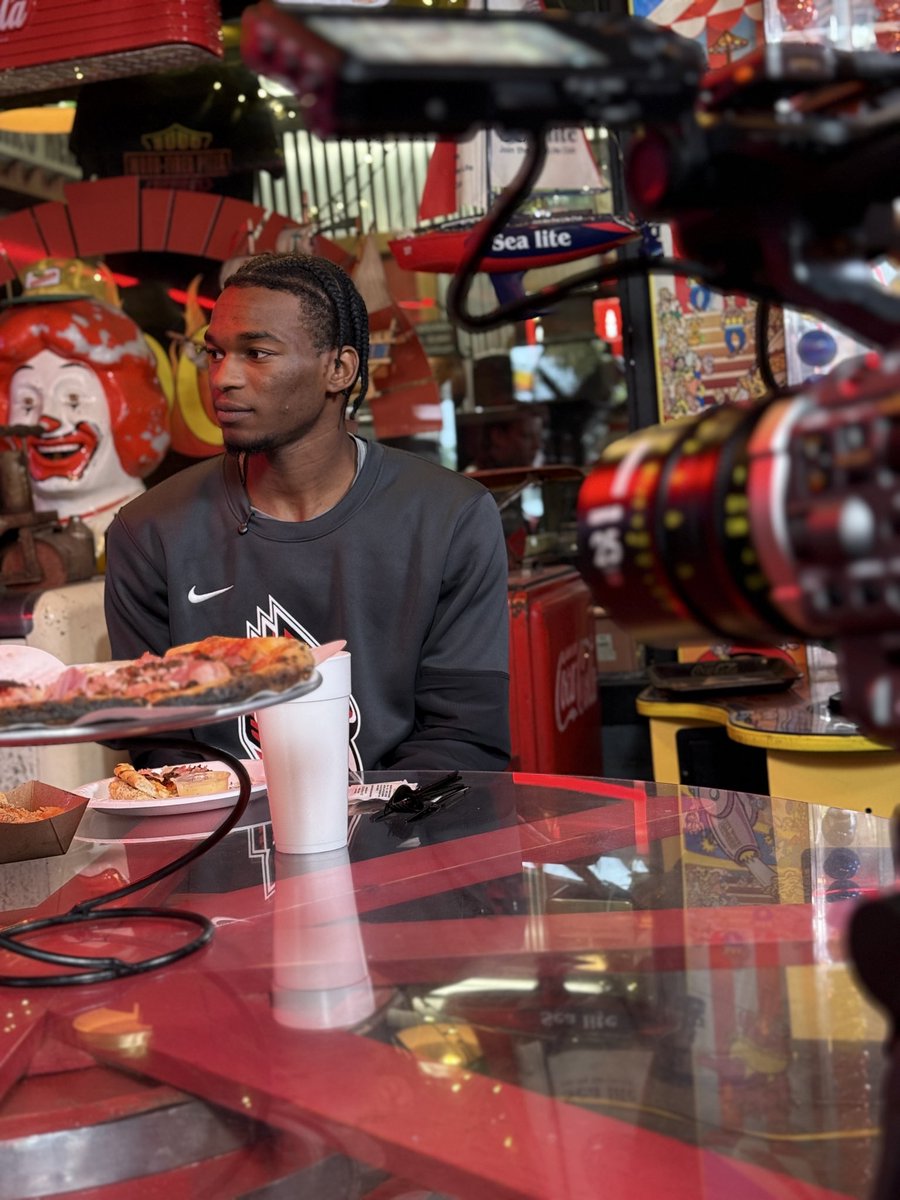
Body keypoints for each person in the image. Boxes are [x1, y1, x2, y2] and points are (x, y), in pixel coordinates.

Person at [104, 252, 511, 774]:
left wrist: (360, 833)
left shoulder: (450, 518)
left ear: (338, 369)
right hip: (221, 834)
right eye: (214, 353)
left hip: (406, 835)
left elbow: (465, 737)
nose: (223, 377)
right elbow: (162, 752)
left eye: (256, 353)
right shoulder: (148, 532)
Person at [0, 263, 170, 560]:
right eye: (26, 403)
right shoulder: (16, 548)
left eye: (73, 398)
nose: (45, 421)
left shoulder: (161, 538)